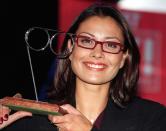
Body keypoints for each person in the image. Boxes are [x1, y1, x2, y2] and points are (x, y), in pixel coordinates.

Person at [0, 3, 166, 131]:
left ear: (124, 58)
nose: (97, 52)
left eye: (111, 45)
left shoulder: (153, 119)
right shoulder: (32, 122)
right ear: (71, 49)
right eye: (87, 41)